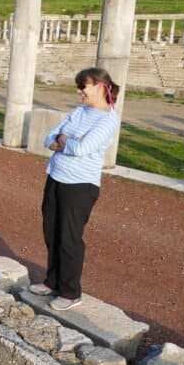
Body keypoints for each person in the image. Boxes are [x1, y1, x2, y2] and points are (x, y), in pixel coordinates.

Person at [29, 67, 120, 311]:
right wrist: (61, 141)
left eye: (83, 87)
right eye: (79, 87)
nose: (80, 92)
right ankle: (52, 280)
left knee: (69, 239)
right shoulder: (80, 111)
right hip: (56, 177)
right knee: (51, 231)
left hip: (80, 185)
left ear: (101, 86)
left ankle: (70, 292)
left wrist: (64, 140)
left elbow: (83, 148)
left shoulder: (109, 118)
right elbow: (49, 136)